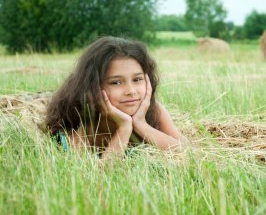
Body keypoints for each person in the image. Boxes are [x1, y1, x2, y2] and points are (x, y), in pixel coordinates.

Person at [44, 36, 185, 159]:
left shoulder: (154, 109)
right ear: (94, 86)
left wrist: (141, 124)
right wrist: (124, 128)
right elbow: (97, 177)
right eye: (116, 82)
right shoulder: (86, 119)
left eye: (137, 79)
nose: (131, 91)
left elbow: (188, 151)